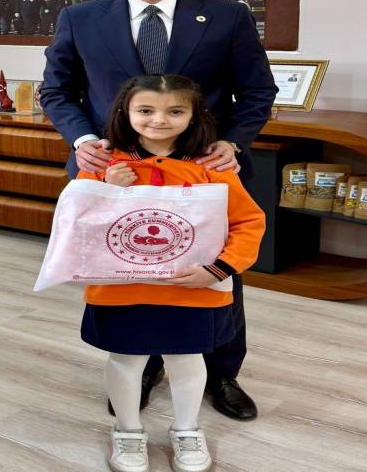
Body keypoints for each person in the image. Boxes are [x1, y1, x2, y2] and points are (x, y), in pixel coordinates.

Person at [40, 0, 278, 422]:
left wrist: (233, 142)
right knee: (128, 264)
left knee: (215, 271)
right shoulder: (80, 18)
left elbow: (258, 91)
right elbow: (57, 90)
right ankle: (142, 365)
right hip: (115, 170)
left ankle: (222, 372)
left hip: (203, 169)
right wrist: (82, 141)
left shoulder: (227, 16)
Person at [76, 74, 265, 472]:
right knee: (126, 360)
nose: (159, 120)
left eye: (175, 111)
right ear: (125, 112)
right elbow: (75, 223)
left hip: (193, 289)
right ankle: (127, 430)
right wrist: (106, 187)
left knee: (187, 360)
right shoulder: (103, 165)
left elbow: (248, 222)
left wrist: (219, 269)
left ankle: (187, 428)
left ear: (195, 115)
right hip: (121, 289)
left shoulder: (211, 166)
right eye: (146, 110)